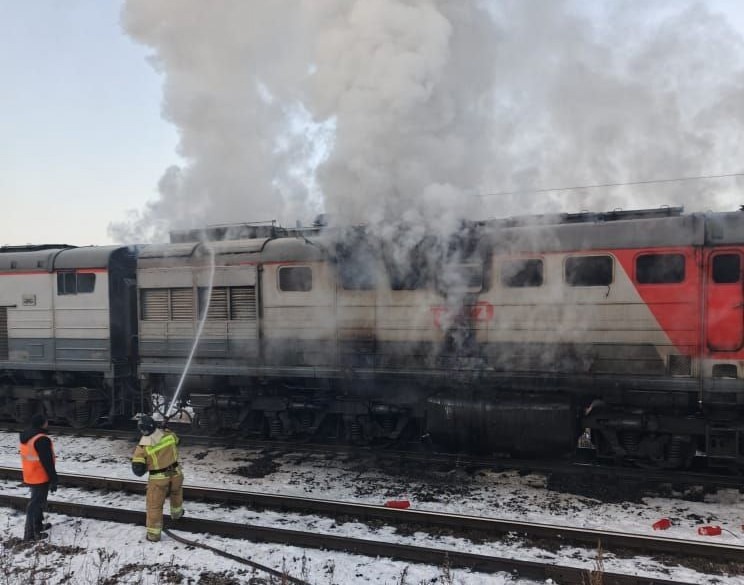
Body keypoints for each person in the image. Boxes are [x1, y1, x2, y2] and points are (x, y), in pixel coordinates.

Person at [131, 415, 184, 542]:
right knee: (176, 493)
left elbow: (138, 471)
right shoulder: (169, 434)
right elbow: (178, 441)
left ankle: (153, 535)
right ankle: (177, 514)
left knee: (154, 506)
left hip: (159, 479)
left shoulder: (143, 446)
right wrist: (160, 432)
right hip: (176, 474)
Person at [19, 413, 58, 541]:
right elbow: (47, 462)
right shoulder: (41, 439)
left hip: (31, 474)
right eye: (46, 422)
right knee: (35, 504)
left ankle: (38, 525)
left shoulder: (28, 436)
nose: (48, 424)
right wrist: (53, 479)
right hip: (40, 475)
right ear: (43, 423)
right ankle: (30, 534)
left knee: (38, 502)